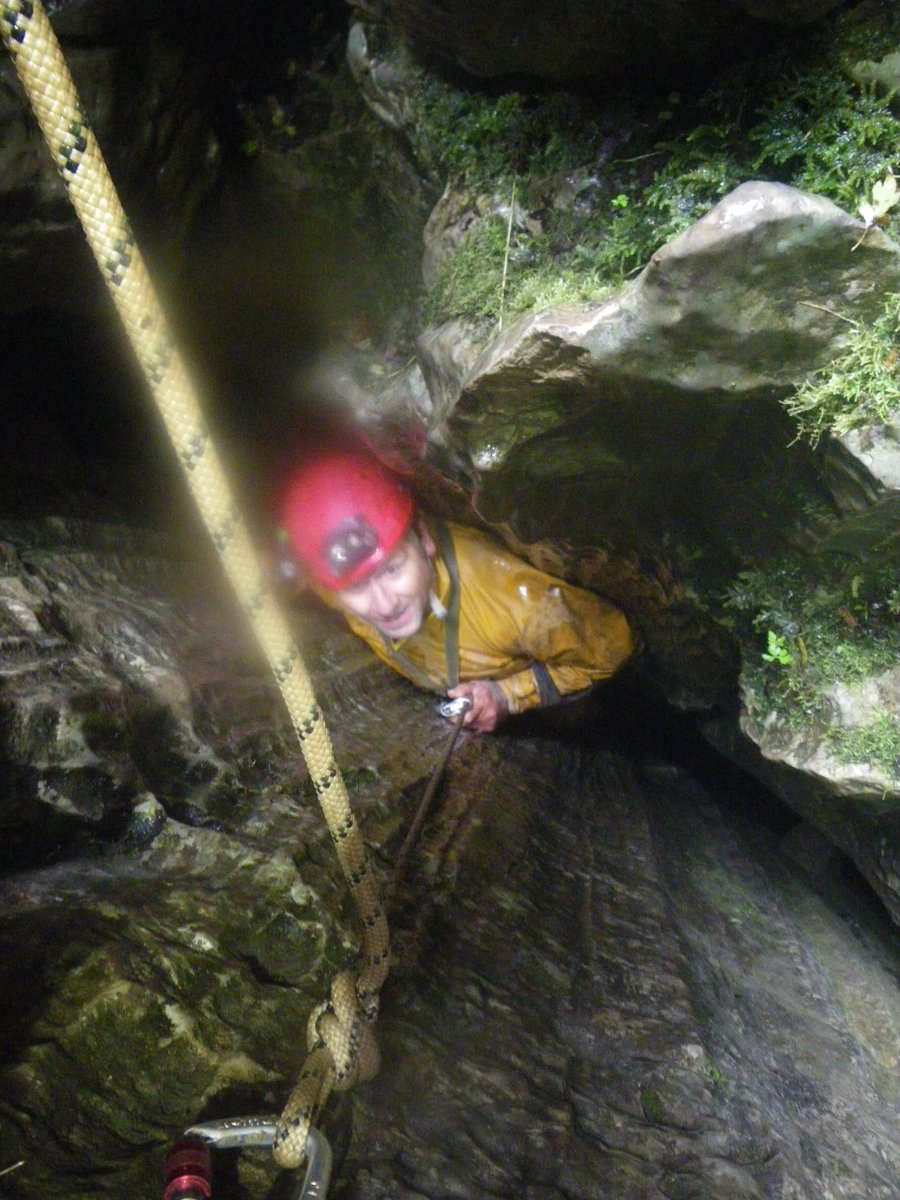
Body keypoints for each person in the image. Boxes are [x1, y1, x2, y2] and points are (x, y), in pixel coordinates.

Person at [278, 446, 637, 733]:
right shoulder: (329, 584)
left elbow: (614, 647)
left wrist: (507, 695)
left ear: (423, 538)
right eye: (357, 586)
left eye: (392, 569)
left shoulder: (517, 602)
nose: (384, 605)